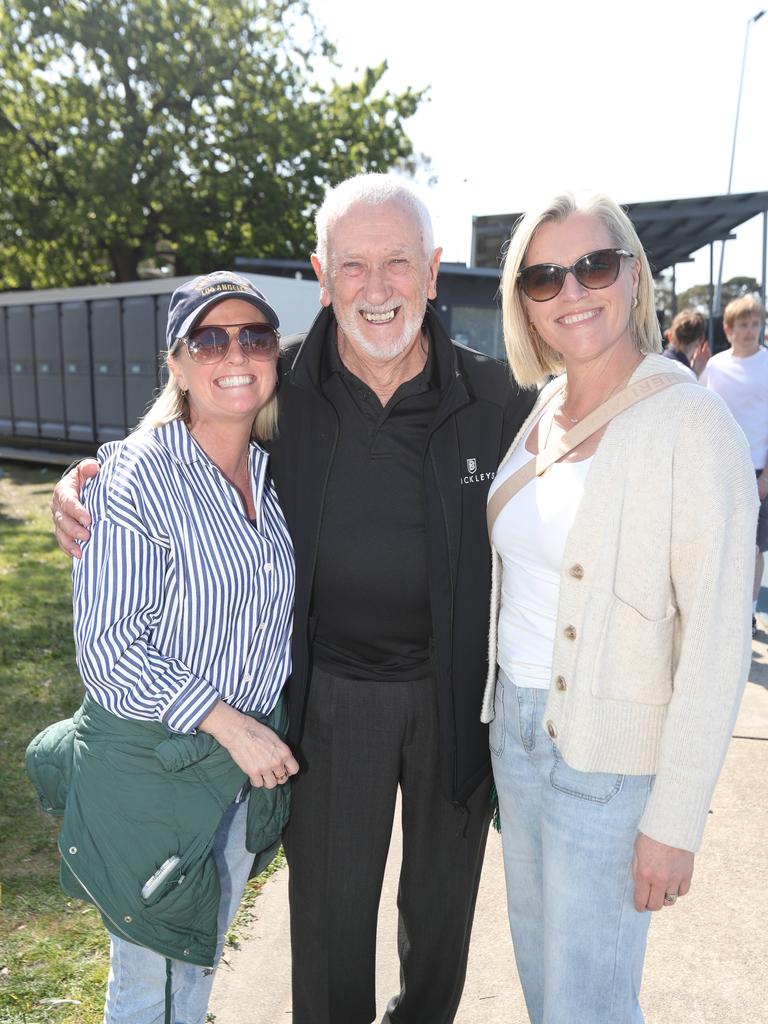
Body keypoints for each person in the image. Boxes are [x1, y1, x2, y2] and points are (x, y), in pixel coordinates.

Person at [51, 175, 535, 1024]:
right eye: (353, 265)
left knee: (440, 926)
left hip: (454, 703)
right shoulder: (285, 389)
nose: (376, 289)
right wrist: (87, 476)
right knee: (328, 928)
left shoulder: (497, 399)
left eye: (397, 263)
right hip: (327, 703)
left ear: (432, 270)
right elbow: (188, 420)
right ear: (322, 273)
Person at [480, 192, 757, 1024]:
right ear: (522, 301)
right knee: (544, 982)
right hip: (517, 736)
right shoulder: (540, 410)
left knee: (587, 1004)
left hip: (610, 761)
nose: (573, 290)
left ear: (632, 274)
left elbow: (715, 640)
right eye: (544, 276)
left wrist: (674, 821)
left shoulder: (691, 423)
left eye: (594, 265)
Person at [40, 271, 297, 1024]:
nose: (234, 353)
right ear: (177, 365)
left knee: (199, 961)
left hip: (236, 777)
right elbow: (110, 651)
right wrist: (230, 722)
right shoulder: (139, 473)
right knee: (143, 979)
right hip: (153, 766)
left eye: (254, 336)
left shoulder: (273, 472)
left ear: (275, 355)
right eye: (208, 339)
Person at [699, 295, 768, 635]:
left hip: (757, 472)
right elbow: (700, 415)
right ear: (728, 329)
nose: (750, 331)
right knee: (720, 544)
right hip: (719, 470)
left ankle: (748, 614)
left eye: (755, 324)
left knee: (753, 548)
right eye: (743, 324)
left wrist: (766, 476)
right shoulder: (715, 366)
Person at [662, 308, 709, 378]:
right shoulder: (687, 375)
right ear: (700, 339)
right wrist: (696, 373)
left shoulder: (655, 362)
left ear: (670, 335)